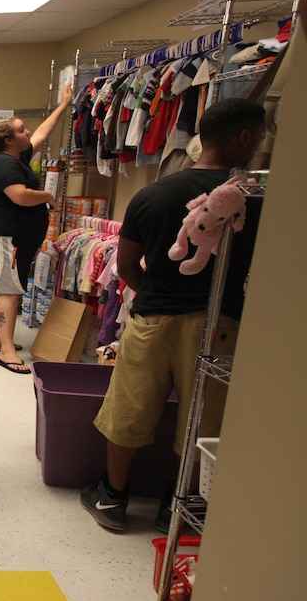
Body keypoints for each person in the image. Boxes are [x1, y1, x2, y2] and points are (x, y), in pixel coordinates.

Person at [80, 98, 266, 533]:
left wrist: (158, 293)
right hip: (221, 324)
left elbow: (126, 267)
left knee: (129, 408)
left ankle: (113, 499)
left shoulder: (153, 195)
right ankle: (177, 505)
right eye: (258, 135)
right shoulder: (255, 200)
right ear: (243, 137)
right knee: (205, 417)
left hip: (155, 319)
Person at [0, 83, 74, 374]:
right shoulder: (5, 165)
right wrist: (47, 196)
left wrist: (63, 105)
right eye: (21, 130)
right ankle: (6, 351)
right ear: (9, 140)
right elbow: (19, 195)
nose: (28, 132)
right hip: (9, 236)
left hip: (8, 234)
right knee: (9, 290)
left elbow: (42, 133)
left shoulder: (13, 157)